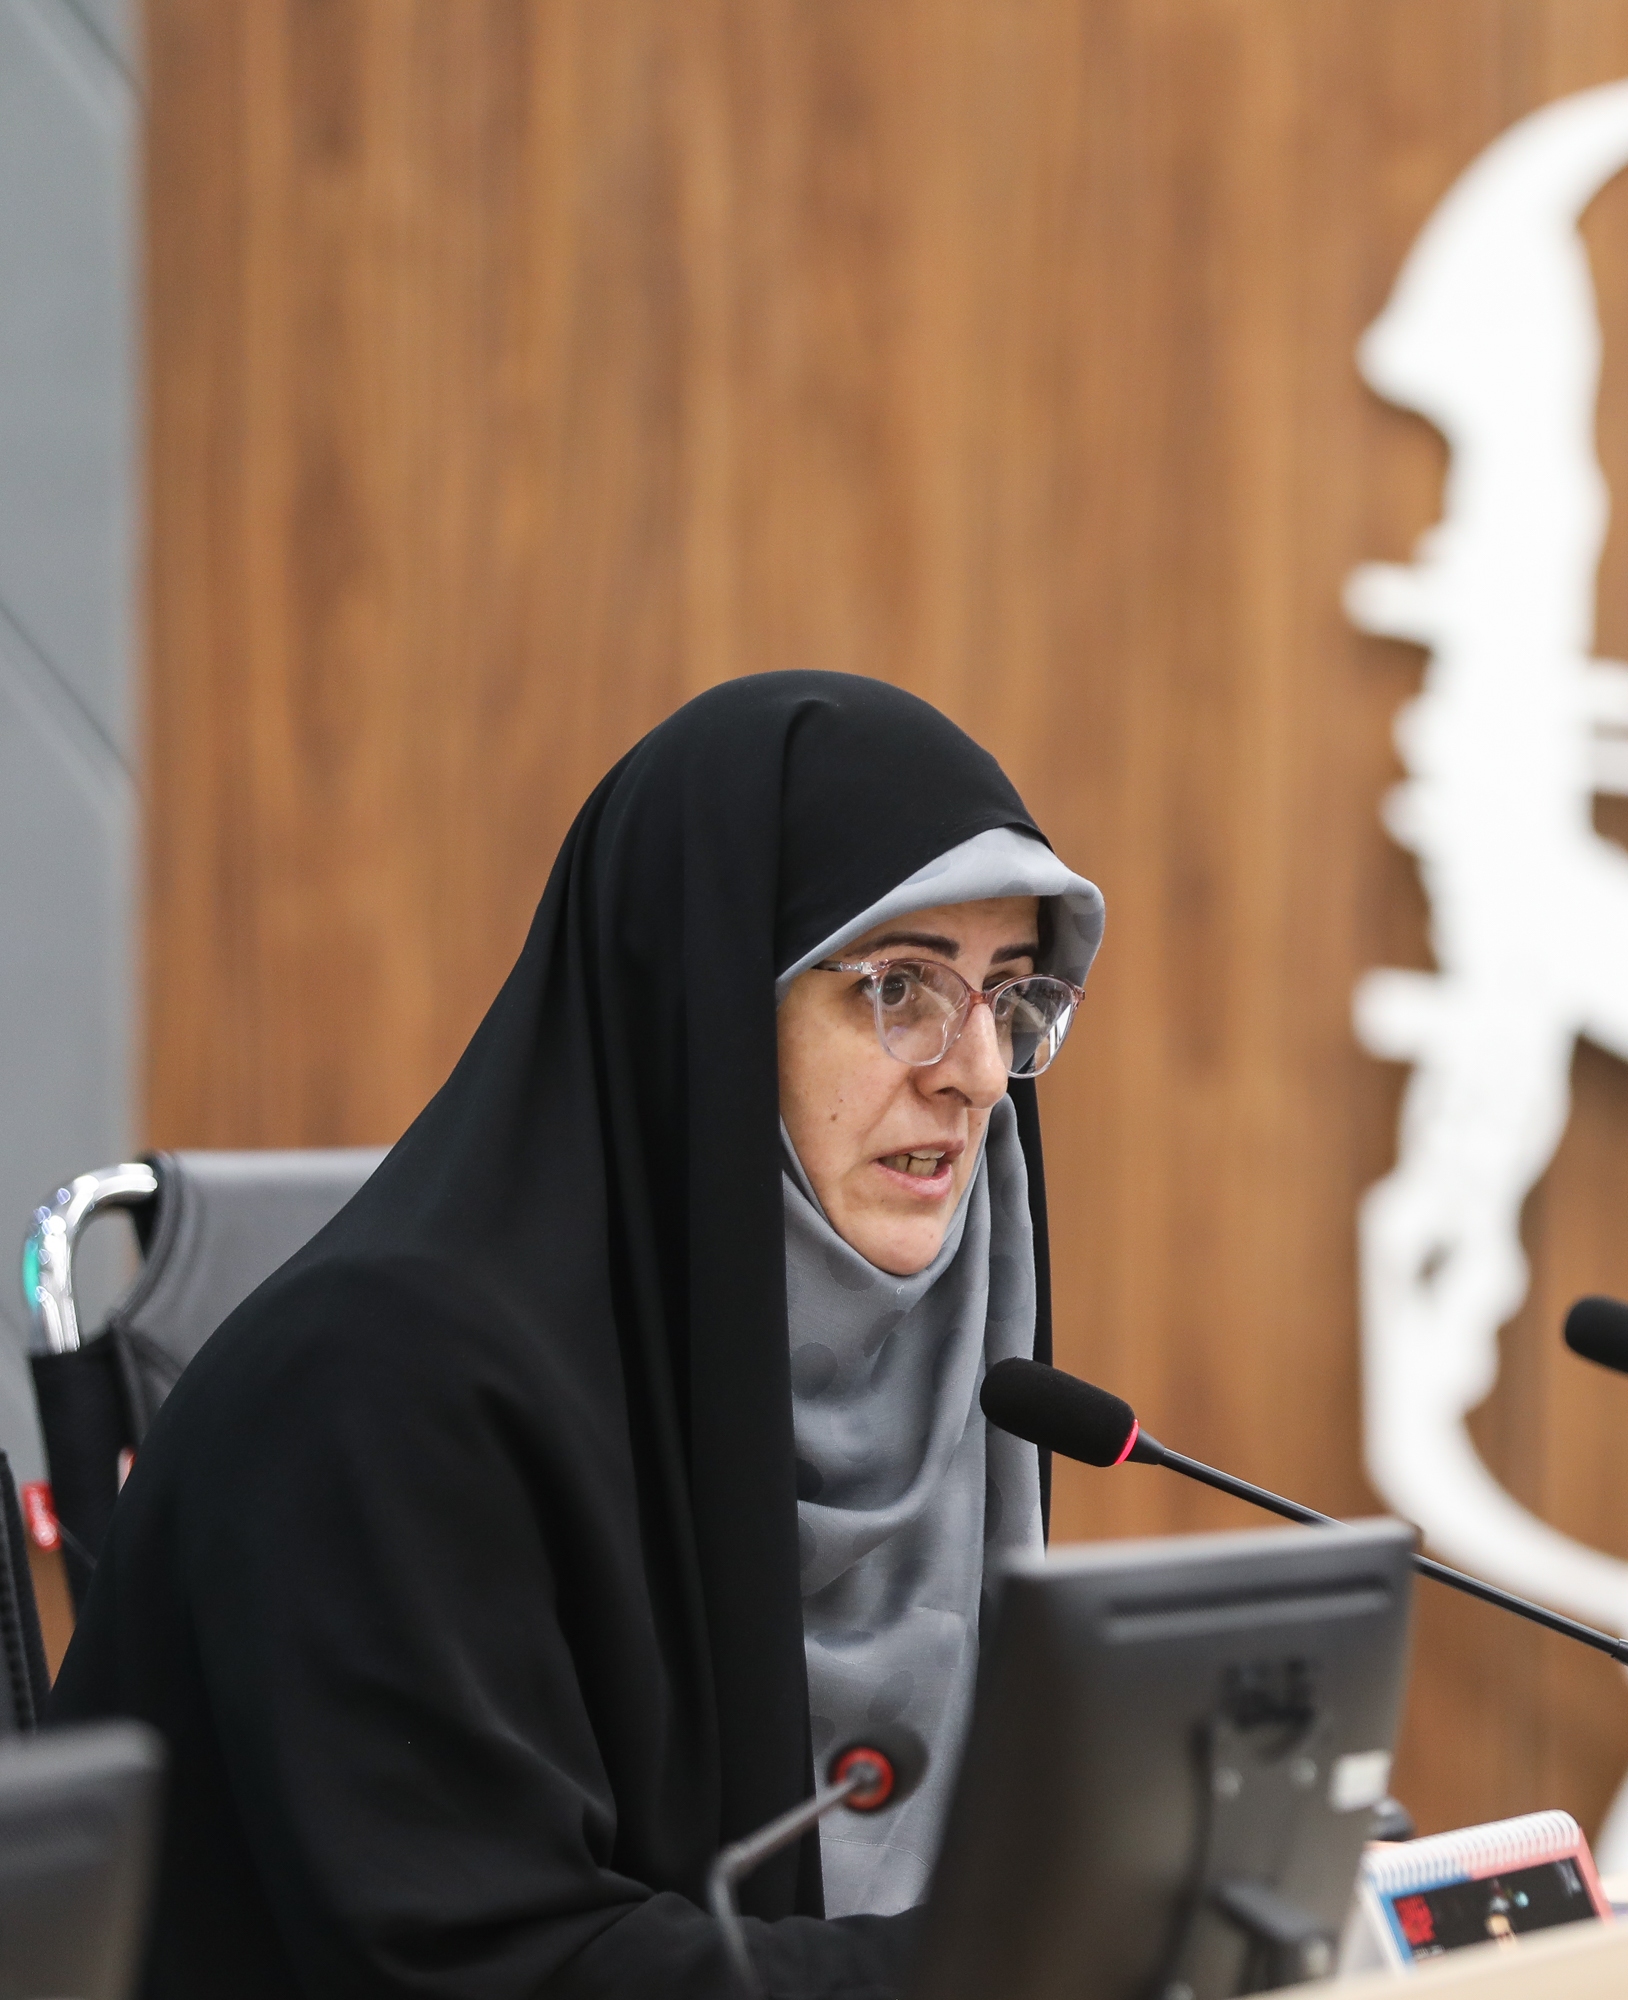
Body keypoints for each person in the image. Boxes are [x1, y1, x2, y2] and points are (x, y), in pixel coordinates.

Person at [51, 672, 1104, 1996]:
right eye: (899, 986)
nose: (976, 1072)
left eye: (1008, 995)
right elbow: (498, 1965)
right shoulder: (375, 1392)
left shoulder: (940, 1373)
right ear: (702, 1008)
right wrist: (1021, 1966)